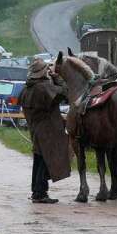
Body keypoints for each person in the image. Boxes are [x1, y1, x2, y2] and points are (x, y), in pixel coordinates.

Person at [19, 58, 72, 204]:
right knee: (44, 161)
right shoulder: (43, 87)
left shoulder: (26, 88)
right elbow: (65, 92)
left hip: (35, 128)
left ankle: (37, 192)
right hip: (47, 130)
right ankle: (40, 193)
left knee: (39, 160)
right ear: (43, 72)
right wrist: (56, 77)